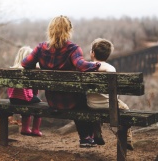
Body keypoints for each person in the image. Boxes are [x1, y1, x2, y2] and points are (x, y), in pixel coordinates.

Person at [21, 15, 106, 148]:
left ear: (50, 30)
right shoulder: (72, 48)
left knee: (80, 98)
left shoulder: (41, 48)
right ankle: (87, 137)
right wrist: (97, 65)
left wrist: (36, 66)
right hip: (72, 101)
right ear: (68, 30)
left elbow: (25, 63)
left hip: (52, 101)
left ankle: (89, 137)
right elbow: (82, 66)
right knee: (83, 100)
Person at [87, 38, 134, 150]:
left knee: (96, 111)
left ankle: (97, 132)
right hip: (109, 105)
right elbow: (114, 92)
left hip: (91, 104)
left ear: (92, 53)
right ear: (107, 56)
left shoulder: (87, 67)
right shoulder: (110, 68)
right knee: (125, 108)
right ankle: (128, 138)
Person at [7, 46, 43, 137]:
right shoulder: (30, 71)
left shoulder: (13, 70)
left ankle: (25, 128)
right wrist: (35, 95)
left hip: (13, 98)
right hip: (25, 97)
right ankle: (35, 130)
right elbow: (34, 89)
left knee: (27, 102)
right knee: (38, 104)